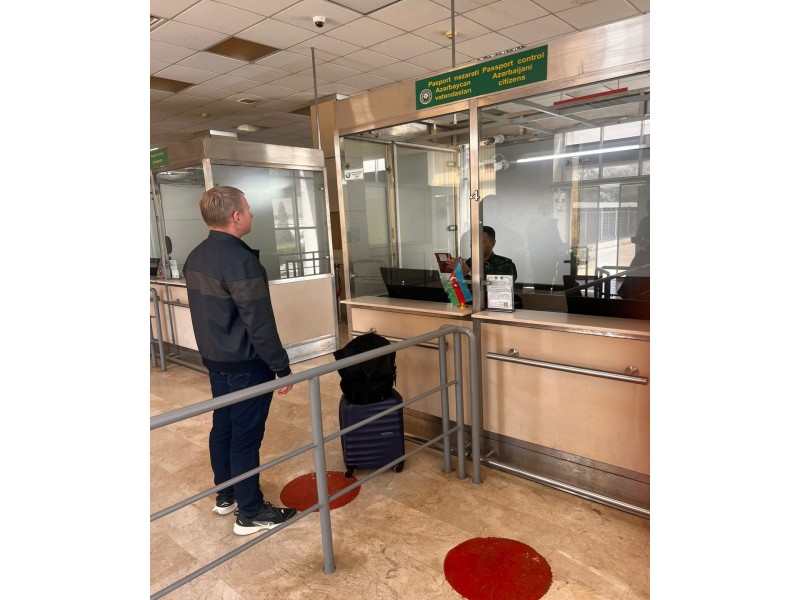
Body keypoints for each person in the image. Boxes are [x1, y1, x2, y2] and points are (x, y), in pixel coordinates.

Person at [183, 185, 298, 536]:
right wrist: (280, 366)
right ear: (236, 216)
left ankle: (227, 494)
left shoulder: (196, 257)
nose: (251, 214)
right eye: (247, 209)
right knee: (245, 436)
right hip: (247, 364)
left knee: (224, 427)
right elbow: (258, 323)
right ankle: (250, 512)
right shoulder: (241, 261)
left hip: (216, 361)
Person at [447, 226, 520, 308]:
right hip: (469, 308)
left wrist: (469, 271)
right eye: (472, 242)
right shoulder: (469, 262)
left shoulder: (505, 264)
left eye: (481, 242)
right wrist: (453, 272)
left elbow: (499, 289)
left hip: (495, 309)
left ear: (493, 243)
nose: (475, 245)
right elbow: (456, 293)